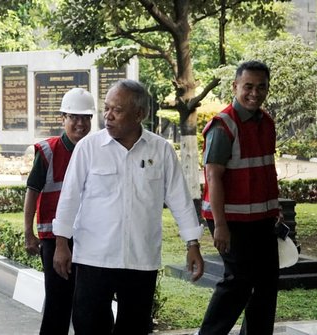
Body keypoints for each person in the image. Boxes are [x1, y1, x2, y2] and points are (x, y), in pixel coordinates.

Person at [52, 79, 205, 335]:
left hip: (140, 260)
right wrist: (61, 244)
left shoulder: (161, 150)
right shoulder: (88, 148)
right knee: (89, 327)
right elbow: (70, 197)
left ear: (139, 114)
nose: (108, 117)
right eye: (107, 108)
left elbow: (180, 198)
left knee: (134, 328)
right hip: (94, 258)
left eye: (117, 110)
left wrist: (192, 244)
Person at [197, 61, 280, 335]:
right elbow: (213, 177)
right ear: (235, 87)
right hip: (231, 220)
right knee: (238, 282)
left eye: (261, 87)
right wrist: (220, 225)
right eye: (248, 87)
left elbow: (265, 170)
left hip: (262, 219)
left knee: (267, 282)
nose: (254, 93)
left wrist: (274, 210)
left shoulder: (266, 123)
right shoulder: (223, 125)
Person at [23, 87, 95, 334]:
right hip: (54, 240)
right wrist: (28, 233)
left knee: (90, 304)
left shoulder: (98, 149)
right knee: (58, 303)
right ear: (62, 118)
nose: (80, 124)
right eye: (74, 117)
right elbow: (32, 191)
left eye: (86, 118)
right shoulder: (48, 150)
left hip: (90, 238)